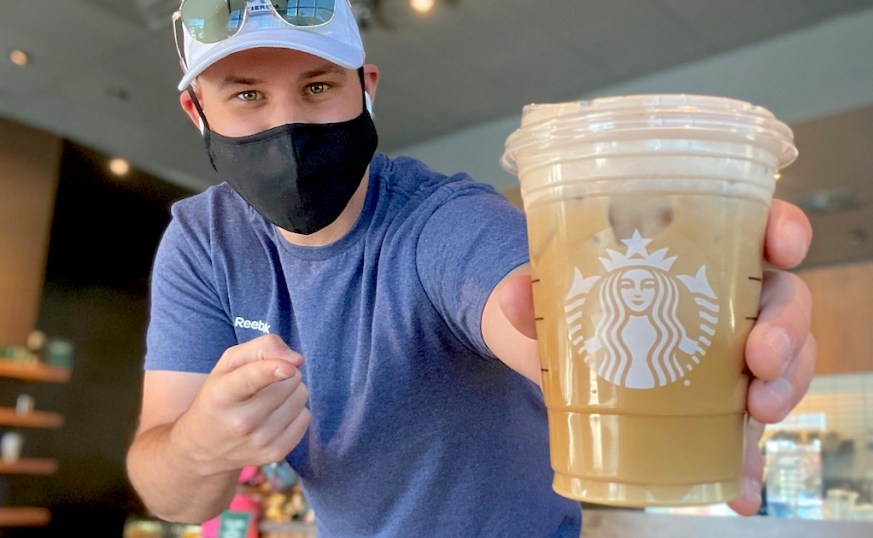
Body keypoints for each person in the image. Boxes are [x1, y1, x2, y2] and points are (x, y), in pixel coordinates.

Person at [125, 1, 816, 536]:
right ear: (197, 110)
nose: (288, 125)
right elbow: (168, 488)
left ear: (365, 89)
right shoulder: (204, 242)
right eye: (246, 95)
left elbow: (534, 313)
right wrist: (201, 445)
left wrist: (707, 338)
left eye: (316, 88)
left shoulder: (443, 220)